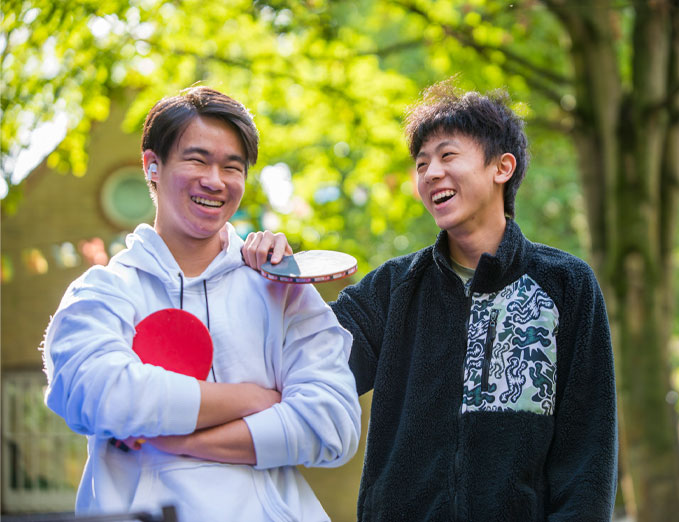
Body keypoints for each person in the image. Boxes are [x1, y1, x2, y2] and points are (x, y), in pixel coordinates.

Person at [244, 81, 618, 520]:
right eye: (421, 164)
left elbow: (589, 451)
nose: (430, 173)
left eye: (447, 156)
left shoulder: (566, 286)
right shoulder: (391, 290)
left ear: (502, 167)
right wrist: (275, 281)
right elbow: (304, 366)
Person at [42, 86, 361, 522]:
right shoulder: (102, 292)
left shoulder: (283, 286)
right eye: (197, 159)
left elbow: (333, 425)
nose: (215, 180)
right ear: (152, 166)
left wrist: (175, 441)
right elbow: (101, 395)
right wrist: (251, 399)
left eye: (233, 167)